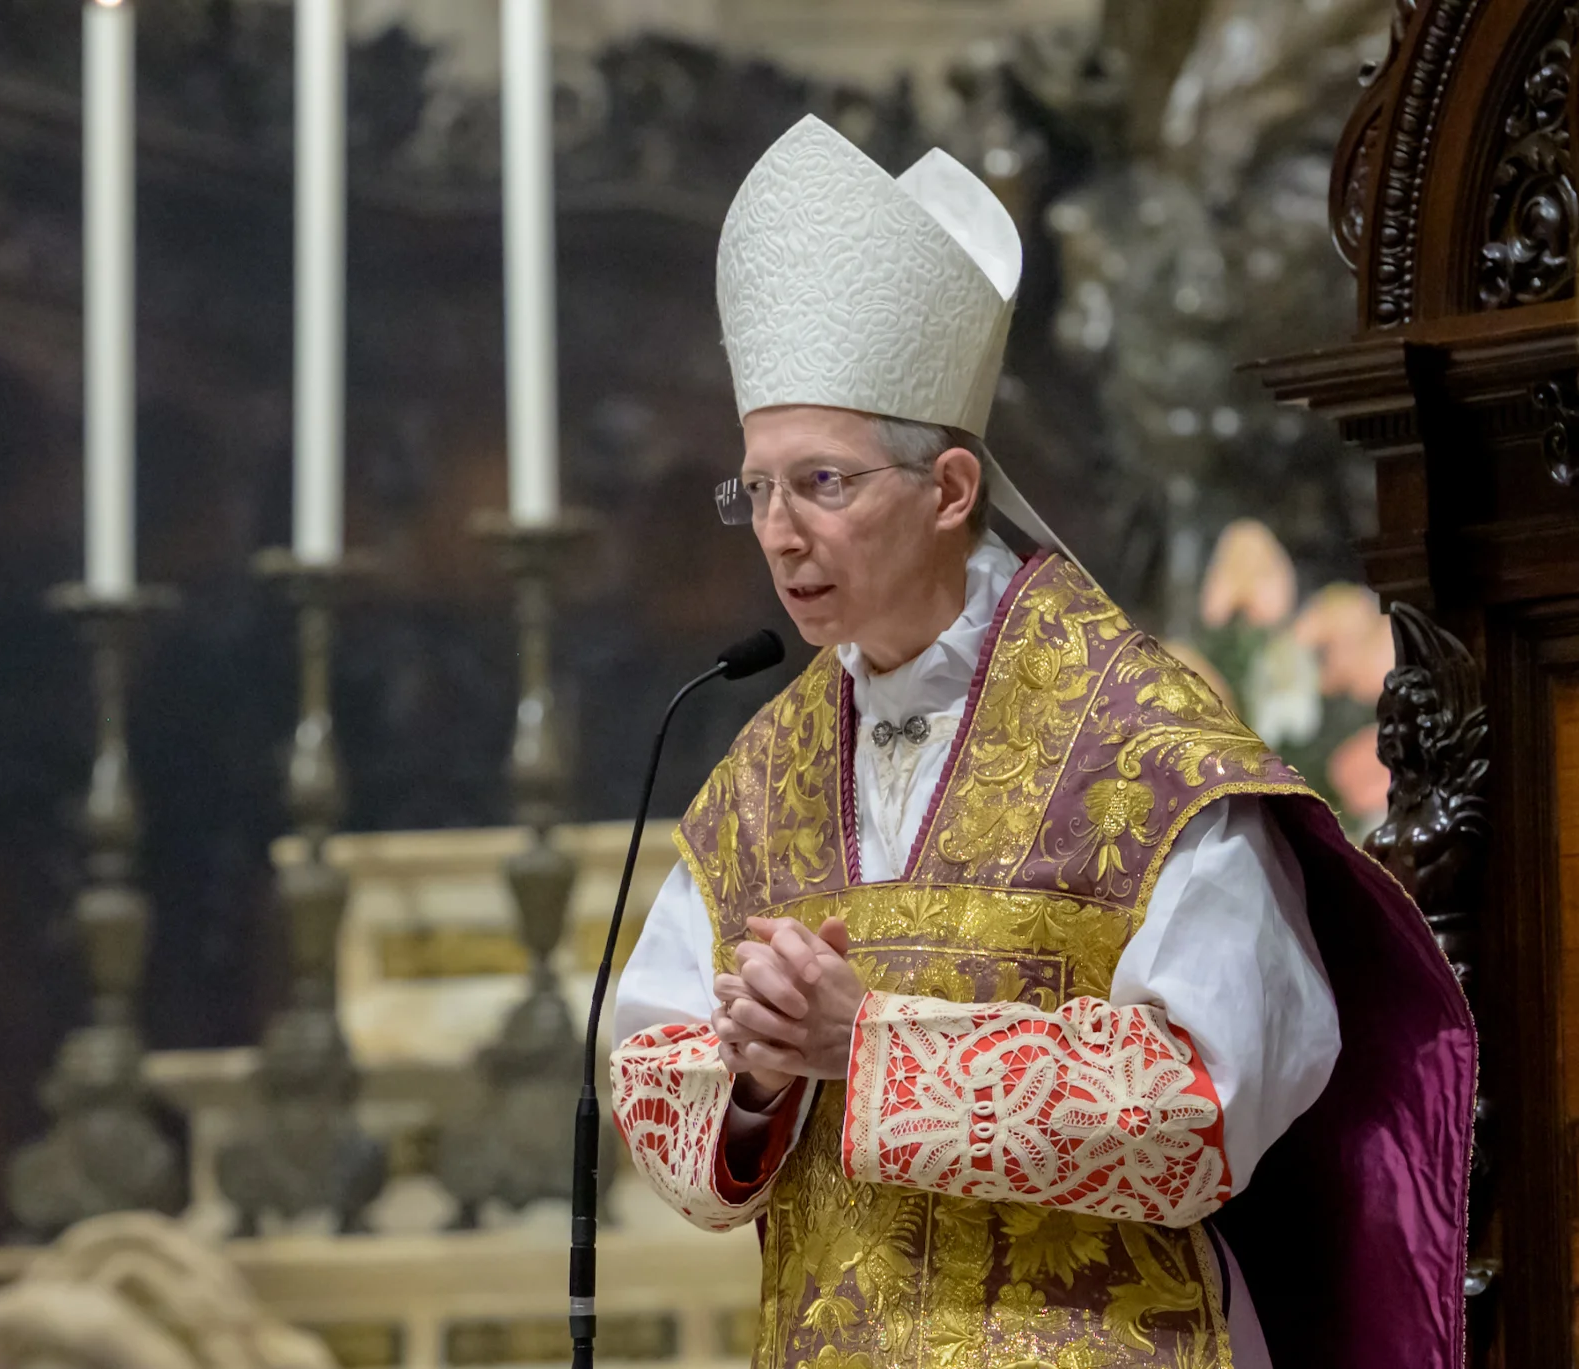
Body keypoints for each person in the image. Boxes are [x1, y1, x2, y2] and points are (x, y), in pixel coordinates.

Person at [609, 116, 1474, 1369]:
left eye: (823, 484)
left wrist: (872, 1047)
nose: (778, 532)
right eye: (756, 488)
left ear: (950, 490)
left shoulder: (1139, 746)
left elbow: (1208, 1100)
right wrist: (751, 1082)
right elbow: (654, 1081)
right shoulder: (761, 782)